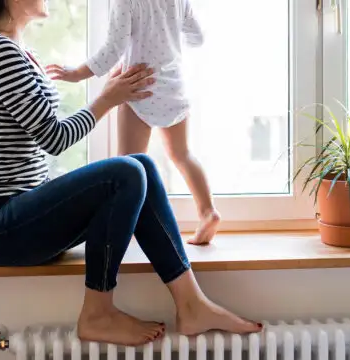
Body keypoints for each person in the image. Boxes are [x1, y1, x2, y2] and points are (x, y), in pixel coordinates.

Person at [0, 0, 262, 347]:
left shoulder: (17, 51)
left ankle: (191, 303)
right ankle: (97, 312)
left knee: (142, 166)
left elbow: (41, 127)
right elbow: (54, 137)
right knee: (125, 172)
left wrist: (110, 92)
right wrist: (107, 100)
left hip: (20, 216)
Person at [46, 0, 220, 246]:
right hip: (173, 86)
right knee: (182, 154)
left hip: (138, 88)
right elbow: (197, 37)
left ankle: (127, 227)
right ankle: (207, 211)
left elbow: (112, 49)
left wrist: (76, 74)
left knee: (128, 163)